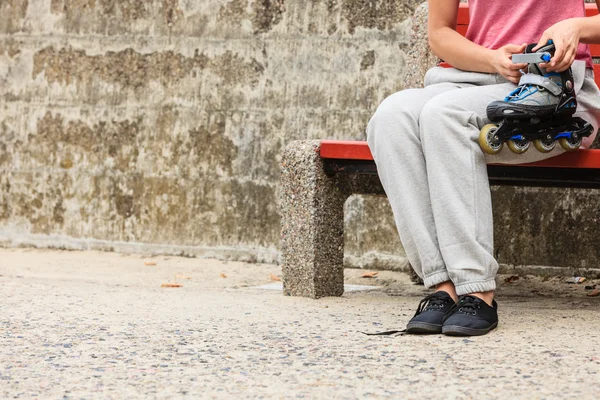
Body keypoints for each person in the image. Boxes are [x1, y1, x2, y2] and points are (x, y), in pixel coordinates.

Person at [366, 0, 600, 336]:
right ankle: (442, 286)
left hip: (553, 87)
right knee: (391, 118)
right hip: (472, 78)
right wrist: (492, 59)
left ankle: (477, 289)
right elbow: (440, 33)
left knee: (444, 116)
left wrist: (576, 27)